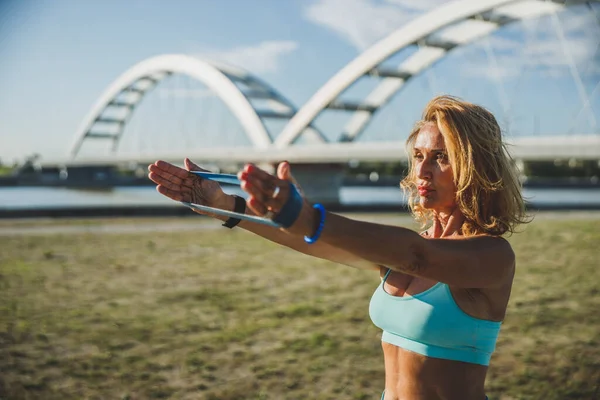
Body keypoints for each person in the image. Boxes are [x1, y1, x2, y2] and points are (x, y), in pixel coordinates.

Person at [148, 95, 529, 400]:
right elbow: (314, 243)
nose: (422, 172)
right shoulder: (409, 249)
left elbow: (419, 257)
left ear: (473, 167)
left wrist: (305, 214)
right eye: (418, 156)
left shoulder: (491, 256)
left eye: (441, 158)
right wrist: (226, 206)